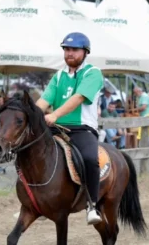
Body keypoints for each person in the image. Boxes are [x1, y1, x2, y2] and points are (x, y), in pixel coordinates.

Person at [37, 32, 103, 225]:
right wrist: (31, 114)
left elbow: (78, 98)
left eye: (74, 50)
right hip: (55, 127)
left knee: (91, 159)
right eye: (66, 49)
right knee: (29, 150)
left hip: (82, 129)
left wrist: (55, 114)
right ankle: (37, 203)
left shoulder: (93, 73)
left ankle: (92, 204)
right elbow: (44, 100)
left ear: (85, 52)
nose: (69, 53)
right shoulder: (58, 76)